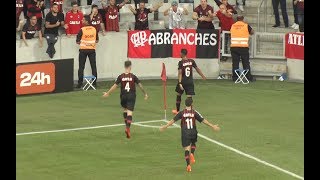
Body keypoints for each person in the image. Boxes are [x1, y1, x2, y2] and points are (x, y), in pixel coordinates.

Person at [160, 97, 220, 172]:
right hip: (193, 132)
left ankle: (188, 165)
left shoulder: (181, 113)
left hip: (185, 133)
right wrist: (212, 126)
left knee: (186, 149)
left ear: (185, 104)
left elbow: (173, 121)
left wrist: (165, 127)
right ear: (192, 104)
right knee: (193, 143)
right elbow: (203, 120)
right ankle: (192, 153)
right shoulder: (194, 112)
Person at [102, 60, 148, 139]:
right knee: (129, 113)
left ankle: (126, 127)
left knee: (125, 110)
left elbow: (115, 86)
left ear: (124, 66)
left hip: (123, 96)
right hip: (131, 95)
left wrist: (108, 93)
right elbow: (140, 85)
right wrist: (145, 93)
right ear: (130, 66)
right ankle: (128, 128)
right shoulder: (133, 76)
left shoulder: (121, 76)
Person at [172, 49, 206, 115]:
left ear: (182, 54)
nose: (179, 54)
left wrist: (179, 83)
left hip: (183, 81)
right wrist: (202, 76)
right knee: (189, 97)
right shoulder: (192, 61)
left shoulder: (181, 62)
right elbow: (197, 69)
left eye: (180, 53)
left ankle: (178, 111)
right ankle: (190, 112)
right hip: (190, 82)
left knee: (178, 95)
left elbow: (180, 73)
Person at [76, 15, 99, 88]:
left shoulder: (82, 30)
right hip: (92, 50)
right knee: (93, 67)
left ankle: (80, 83)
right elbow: (97, 40)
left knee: (81, 67)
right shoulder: (94, 29)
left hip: (83, 50)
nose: (81, 21)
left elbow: (77, 41)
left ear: (86, 21)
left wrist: (84, 43)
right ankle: (94, 83)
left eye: (83, 20)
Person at [230, 15, 254, 82]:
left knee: (235, 63)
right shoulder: (246, 25)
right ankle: (248, 77)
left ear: (237, 19)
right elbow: (252, 32)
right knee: (246, 63)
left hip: (234, 47)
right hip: (243, 47)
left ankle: (235, 78)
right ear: (243, 19)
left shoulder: (233, 25)